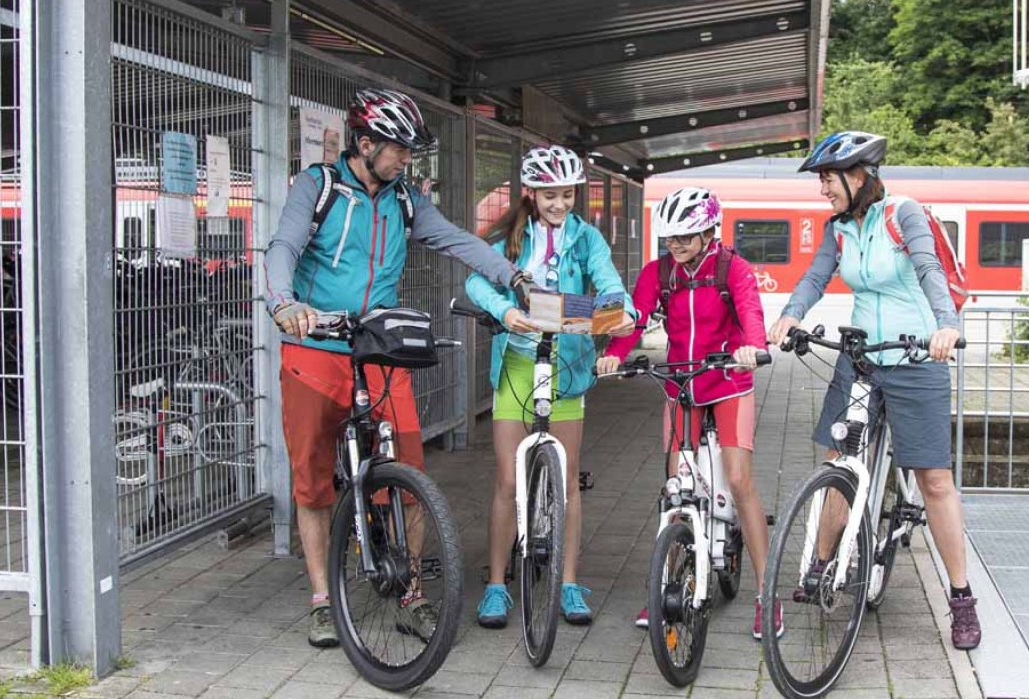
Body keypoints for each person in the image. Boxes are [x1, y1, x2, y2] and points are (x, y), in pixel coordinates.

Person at [265, 88, 528, 648]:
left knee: (410, 476)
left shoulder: (404, 199)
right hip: (315, 347)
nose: (408, 161)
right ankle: (320, 601)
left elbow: (457, 241)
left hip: (380, 349)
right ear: (366, 144)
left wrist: (513, 277)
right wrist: (284, 303)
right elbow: (282, 248)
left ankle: (411, 596)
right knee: (312, 480)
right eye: (400, 150)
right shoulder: (317, 187)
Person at [766, 131, 981, 650]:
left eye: (826, 180)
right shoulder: (838, 228)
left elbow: (929, 270)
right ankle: (820, 565)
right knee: (838, 459)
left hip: (915, 356)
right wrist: (792, 314)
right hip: (861, 357)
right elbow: (815, 277)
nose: (822, 190)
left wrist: (945, 327)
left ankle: (961, 598)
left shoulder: (902, 214)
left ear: (857, 177)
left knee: (933, 479)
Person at [597, 186, 780, 641]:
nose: (675, 246)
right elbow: (635, 317)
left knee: (738, 480)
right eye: (670, 238)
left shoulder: (731, 268)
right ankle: (666, 583)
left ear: (709, 232)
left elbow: (751, 313)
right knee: (676, 485)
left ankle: (767, 595)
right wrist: (615, 353)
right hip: (681, 384)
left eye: (686, 236)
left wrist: (752, 348)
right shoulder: (659, 272)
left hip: (728, 381)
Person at [466, 144, 636, 628]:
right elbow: (477, 282)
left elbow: (609, 285)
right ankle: (497, 585)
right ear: (531, 194)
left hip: (568, 367)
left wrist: (619, 311)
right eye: (549, 196)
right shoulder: (511, 236)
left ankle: (568, 583)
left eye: (567, 195)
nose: (559, 204)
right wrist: (506, 311)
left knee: (567, 483)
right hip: (518, 367)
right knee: (506, 481)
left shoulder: (587, 238)